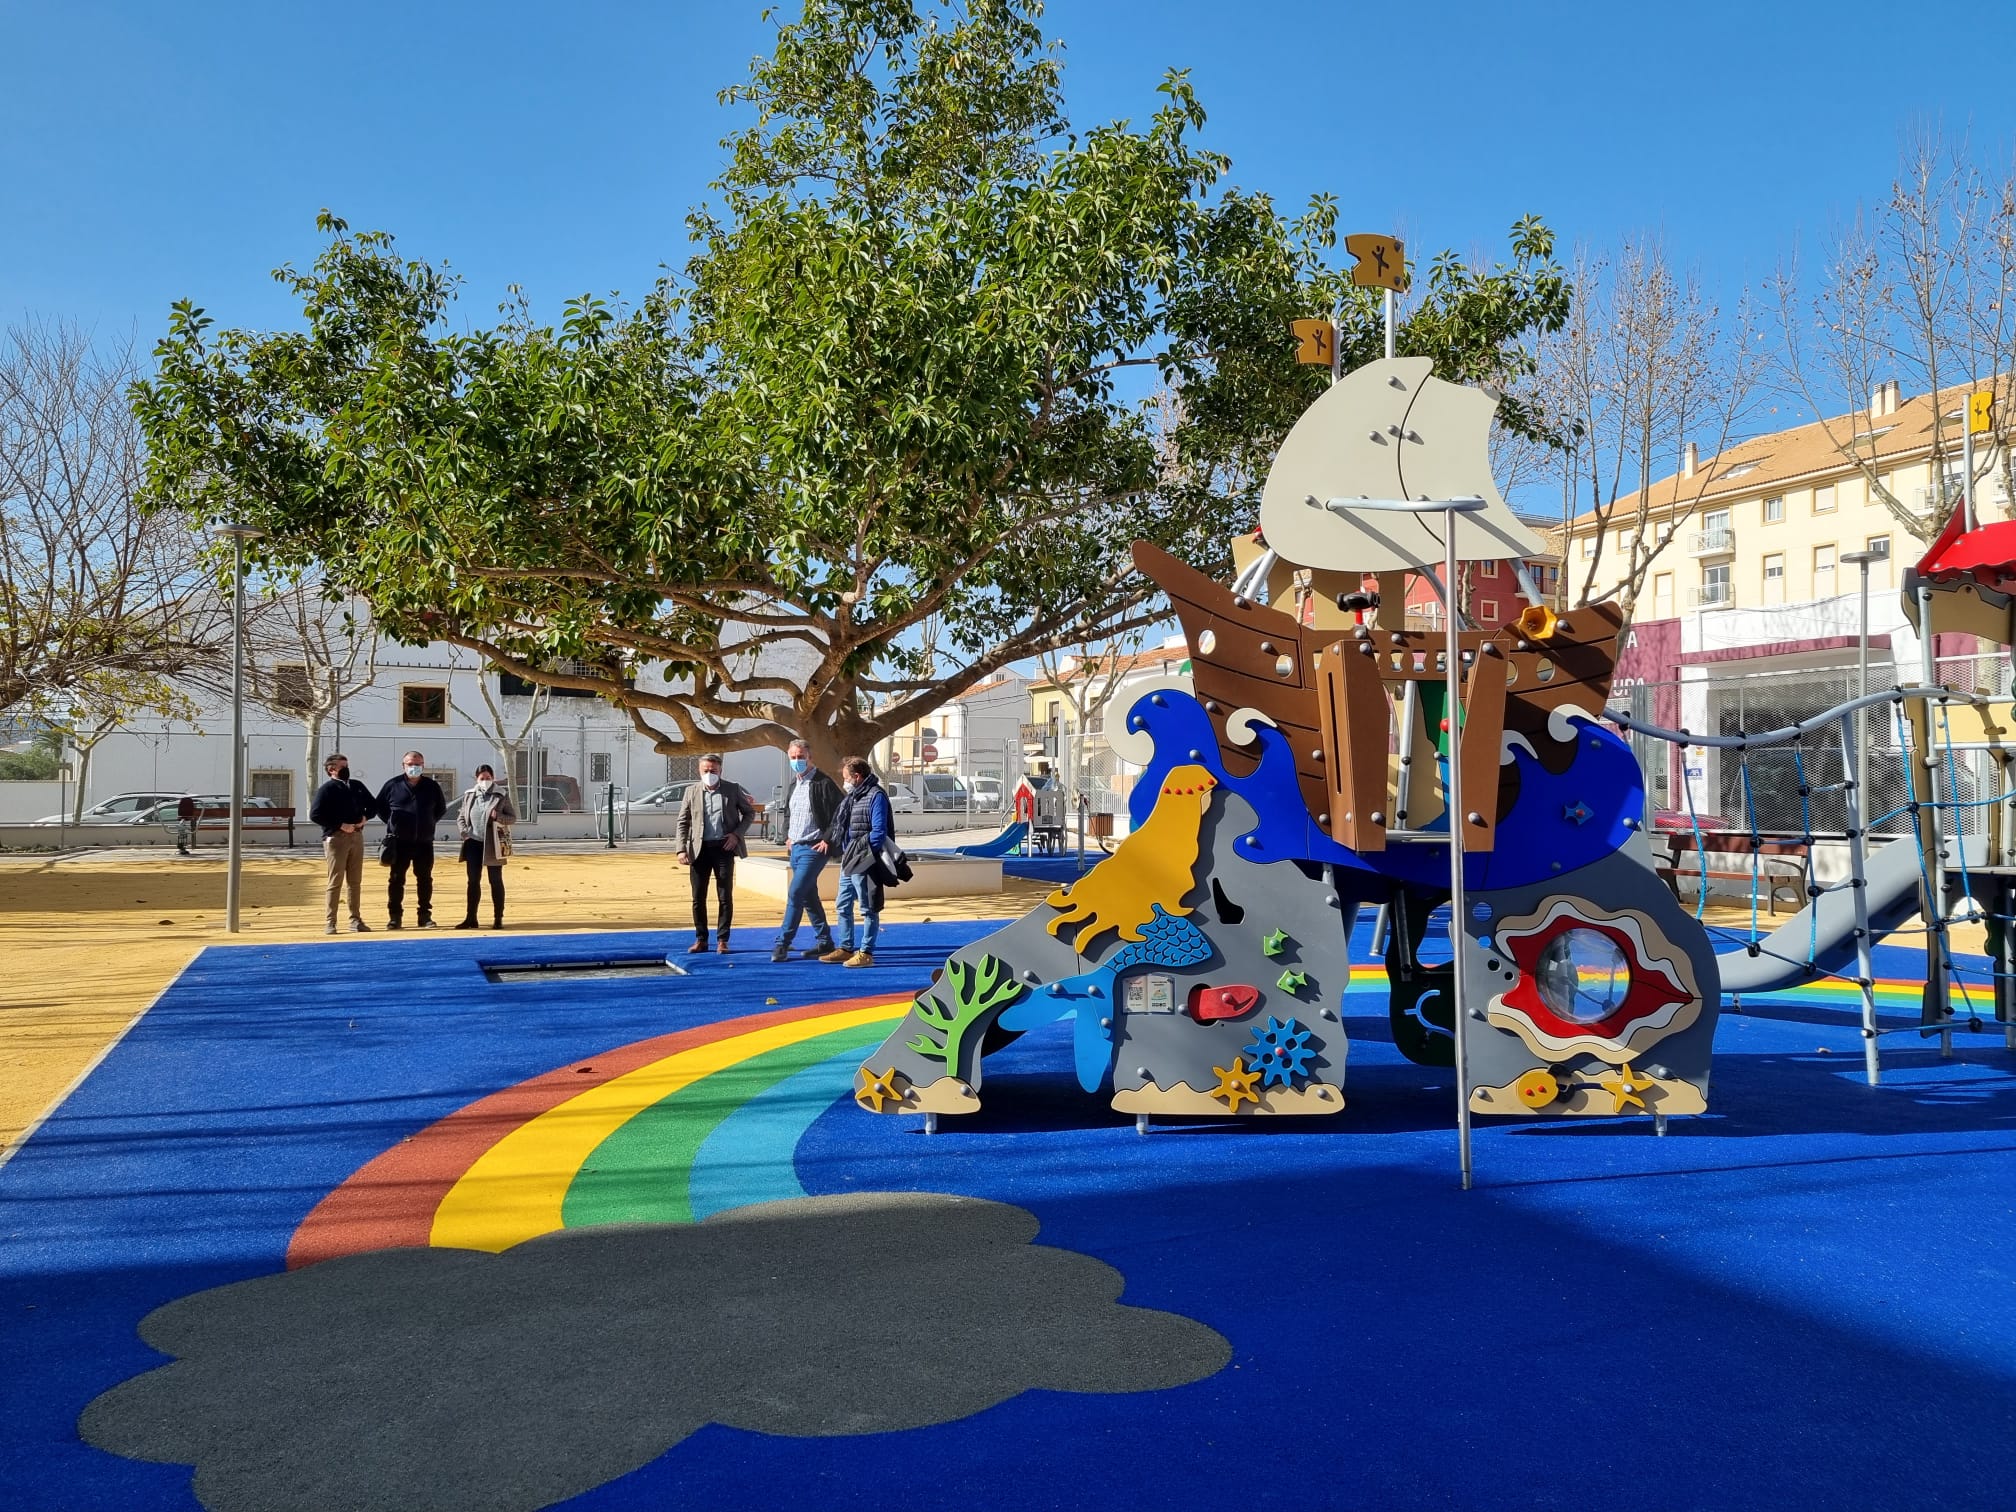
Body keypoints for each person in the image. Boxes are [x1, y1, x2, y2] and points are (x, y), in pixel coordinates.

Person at [676, 754, 756, 954]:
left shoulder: (732, 789)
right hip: (699, 850)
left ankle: (723, 940)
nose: (709, 774)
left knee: (724, 895)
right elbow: (683, 821)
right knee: (698, 896)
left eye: (713, 771)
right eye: (706, 771)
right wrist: (680, 849)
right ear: (699, 771)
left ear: (720, 771)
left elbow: (749, 813)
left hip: (724, 848)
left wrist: (736, 835)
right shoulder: (691, 792)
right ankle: (701, 939)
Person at [771, 738, 842, 963]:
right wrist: (787, 837)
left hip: (815, 848)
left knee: (795, 892)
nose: (797, 761)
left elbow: (840, 814)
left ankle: (783, 942)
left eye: (801, 757)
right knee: (809, 896)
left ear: (810, 757)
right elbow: (788, 813)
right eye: (793, 757)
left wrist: (828, 840)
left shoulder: (823, 783)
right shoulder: (794, 784)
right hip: (796, 847)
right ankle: (825, 942)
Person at [821, 757, 894, 968]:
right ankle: (845, 948)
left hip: (864, 860)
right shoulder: (853, 797)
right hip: (849, 859)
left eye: (846, 778)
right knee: (842, 904)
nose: (844, 782)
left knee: (868, 907)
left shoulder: (876, 796)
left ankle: (866, 952)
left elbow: (879, 832)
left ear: (857, 776)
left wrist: (861, 852)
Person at [376, 750, 448, 929]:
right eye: (410, 764)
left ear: (423, 766)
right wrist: (394, 823)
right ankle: (395, 917)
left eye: (418, 764)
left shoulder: (432, 786)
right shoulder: (392, 785)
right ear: (403, 765)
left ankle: (424, 916)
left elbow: (440, 809)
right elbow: (380, 808)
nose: (414, 767)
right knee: (396, 879)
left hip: (424, 842)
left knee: (424, 879)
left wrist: (427, 823)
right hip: (399, 842)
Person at [308, 753, 375, 935]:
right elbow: (315, 814)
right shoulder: (327, 789)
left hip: (357, 836)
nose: (346, 769)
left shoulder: (357, 786)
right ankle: (331, 922)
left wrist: (364, 818)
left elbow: (373, 805)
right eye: (342, 766)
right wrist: (339, 825)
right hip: (336, 838)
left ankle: (355, 920)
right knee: (335, 880)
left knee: (355, 881)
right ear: (332, 770)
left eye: (347, 765)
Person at [454, 764, 518, 930]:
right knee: (473, 881)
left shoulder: (501, 795)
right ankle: (471, 918)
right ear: (477, 779)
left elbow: (512, 818)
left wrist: (498, 816)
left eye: (488, 778)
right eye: (482, 778)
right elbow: (461, 817)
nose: (485, 781)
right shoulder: (469, 795)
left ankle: (498, 918)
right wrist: (465, 833)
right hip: (473, 843)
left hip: (494, 844)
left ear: (493, 778)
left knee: (495, 880)